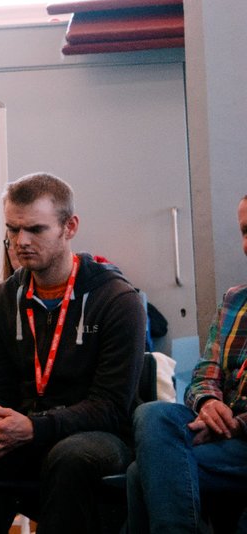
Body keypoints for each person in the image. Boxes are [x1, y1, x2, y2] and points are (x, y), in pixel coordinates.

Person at [0, 172, 147, 534]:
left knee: (69, 457)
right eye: (12, 229)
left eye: (35, 229)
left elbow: (110, 408)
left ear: (70, 227)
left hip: (97, 437)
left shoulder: (116, 300)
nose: (20, 241)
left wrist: (34, 428)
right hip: (21, 432)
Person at [126, 195, 247, 533]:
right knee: (153, 414)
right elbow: (204, 372)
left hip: (240, 435)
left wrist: (235, 424)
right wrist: (208, 403)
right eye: (245, 231)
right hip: (226, 433)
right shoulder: (235, 300)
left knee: (142, 472)